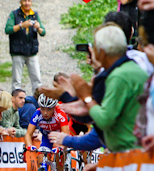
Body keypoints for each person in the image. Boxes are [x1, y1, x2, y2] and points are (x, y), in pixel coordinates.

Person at [62, 24, 148, 153]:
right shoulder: (132, 68)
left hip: (130, 153)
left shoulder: (119, 76)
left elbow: (104, 120)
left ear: (102, 52)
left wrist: (86, 97)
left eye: (94, 47)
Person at [24, 94, 70, 171]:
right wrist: (29, 146)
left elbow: (65, 135)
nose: (45, 112)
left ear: (54, 108)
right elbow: (28, 134)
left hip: (59, 137)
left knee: (60, 152)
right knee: (41, 164)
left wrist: (60, 147)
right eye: (43, 108)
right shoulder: (37, 114)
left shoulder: (60, 114)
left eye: (48, 109)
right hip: (46, 139)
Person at [5, 0, 45, 92]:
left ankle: (38, 100)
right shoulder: (14, 14)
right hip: (18, 51)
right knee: (16, 80)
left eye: (29, 1)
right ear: (20, 2)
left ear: (31, 2)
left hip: (32, 51)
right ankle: (16, 101)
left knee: (37, 79)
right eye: (25, 1)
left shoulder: (35, 15)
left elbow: (43, 32)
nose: (27, 3)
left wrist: (38, 27)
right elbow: (8, 30)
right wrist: (21, 26)